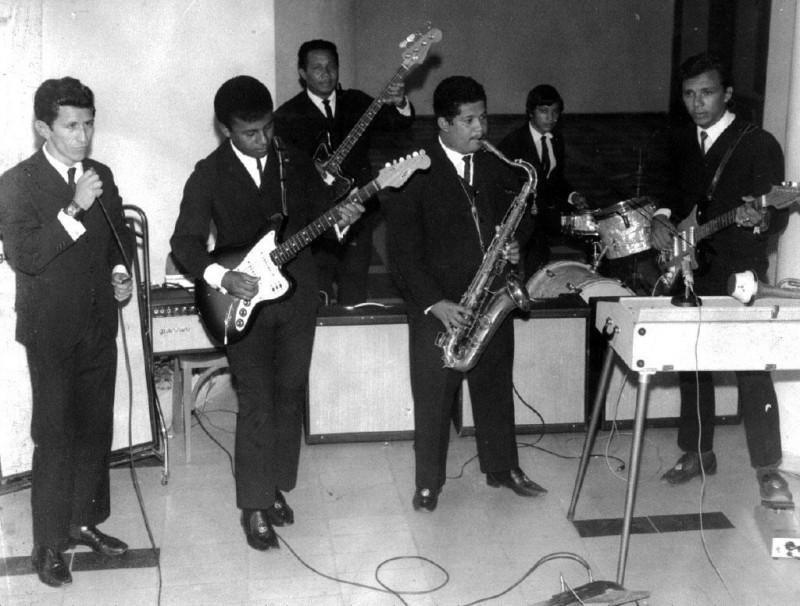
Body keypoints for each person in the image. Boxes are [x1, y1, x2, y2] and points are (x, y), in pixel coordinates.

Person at [170, 76, 364, 550]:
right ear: (226, 130)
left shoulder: (293, 161)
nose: (263, 140)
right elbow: (185, 243)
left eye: (268, 128)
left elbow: (322, 220)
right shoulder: (209, 173)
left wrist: (342, 221)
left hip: (297, 297)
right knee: (256, 400)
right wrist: (221, 277)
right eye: (250, 133)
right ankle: (254, 507)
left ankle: (275, 486)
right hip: (241, 303)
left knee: (289, 394)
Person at [383, 76, 545, 513]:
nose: (481, 128)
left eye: (483, 117)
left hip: (490, 296)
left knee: (495, 387)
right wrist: (434, 303)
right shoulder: (414, 170)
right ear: (443, 123)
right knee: (434, 398)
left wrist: (516, 244)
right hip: (438, 305)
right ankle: (428, 483)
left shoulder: (495, 164)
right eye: (469, 120)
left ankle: (502, 467)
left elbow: (523, 217)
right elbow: (400, 252)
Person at [0, 77, 134, 587]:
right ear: (43, 128)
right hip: (50, 329)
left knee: (95, 429)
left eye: (89, 125)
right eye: (71, 126)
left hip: (98, 322)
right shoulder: (16, 183)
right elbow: (27, 256)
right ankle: (47, 543)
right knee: (55, 434)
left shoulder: (101, 175)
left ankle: (83, 522)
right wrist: (74, 206)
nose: (83, 136)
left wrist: (119, 272)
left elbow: (119, 238)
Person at [651, 52, 793, 508]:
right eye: (689, 94)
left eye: (707, 93)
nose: (698, 103)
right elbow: (670, 193)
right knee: (692, 365)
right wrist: (661, 217)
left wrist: (760, 218)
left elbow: (775, 217)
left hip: (739, 271)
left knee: (752, 368)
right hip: (690, 267)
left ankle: (768, 468)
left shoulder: (758, 143)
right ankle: (696, 452)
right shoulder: (679, 140)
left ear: (727, 94)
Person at [275, 39, 414, 305]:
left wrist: (400, 102)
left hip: (359, 212)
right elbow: (282, 166)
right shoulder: (287, 116)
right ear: (302, 73)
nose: (326, 74)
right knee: (317, 293)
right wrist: (309, 169)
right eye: (317, 68)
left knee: (354, 291)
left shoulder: (357, 102)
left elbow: (397, 123)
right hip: (315, 222)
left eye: (331, 67)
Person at [498, 84, 588, 277]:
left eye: (555, 112)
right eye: (544, 111)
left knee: (592, 229)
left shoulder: (556, 138)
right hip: (523, 215)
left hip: (547, 210)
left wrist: (572, 196)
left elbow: (557, 179)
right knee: (537, 255)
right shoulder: (513, 142)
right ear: (530, 112)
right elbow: (502, 186)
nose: (551, 117)